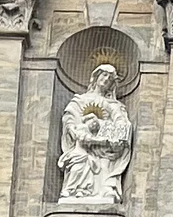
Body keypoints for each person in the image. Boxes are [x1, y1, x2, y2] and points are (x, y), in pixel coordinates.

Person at [57, 64, 133, 205]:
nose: (106, 79)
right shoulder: (79, 100)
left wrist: (101, 126)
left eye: (110, 78)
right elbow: (69, 120)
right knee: (81, 161)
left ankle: (106, 189)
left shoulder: (114, 105)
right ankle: (75, 190)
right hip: (83, 146)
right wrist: (78, 131)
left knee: (104, 166)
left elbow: (123, 126)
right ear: (96, 76)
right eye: (104, 75)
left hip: (105, 149)